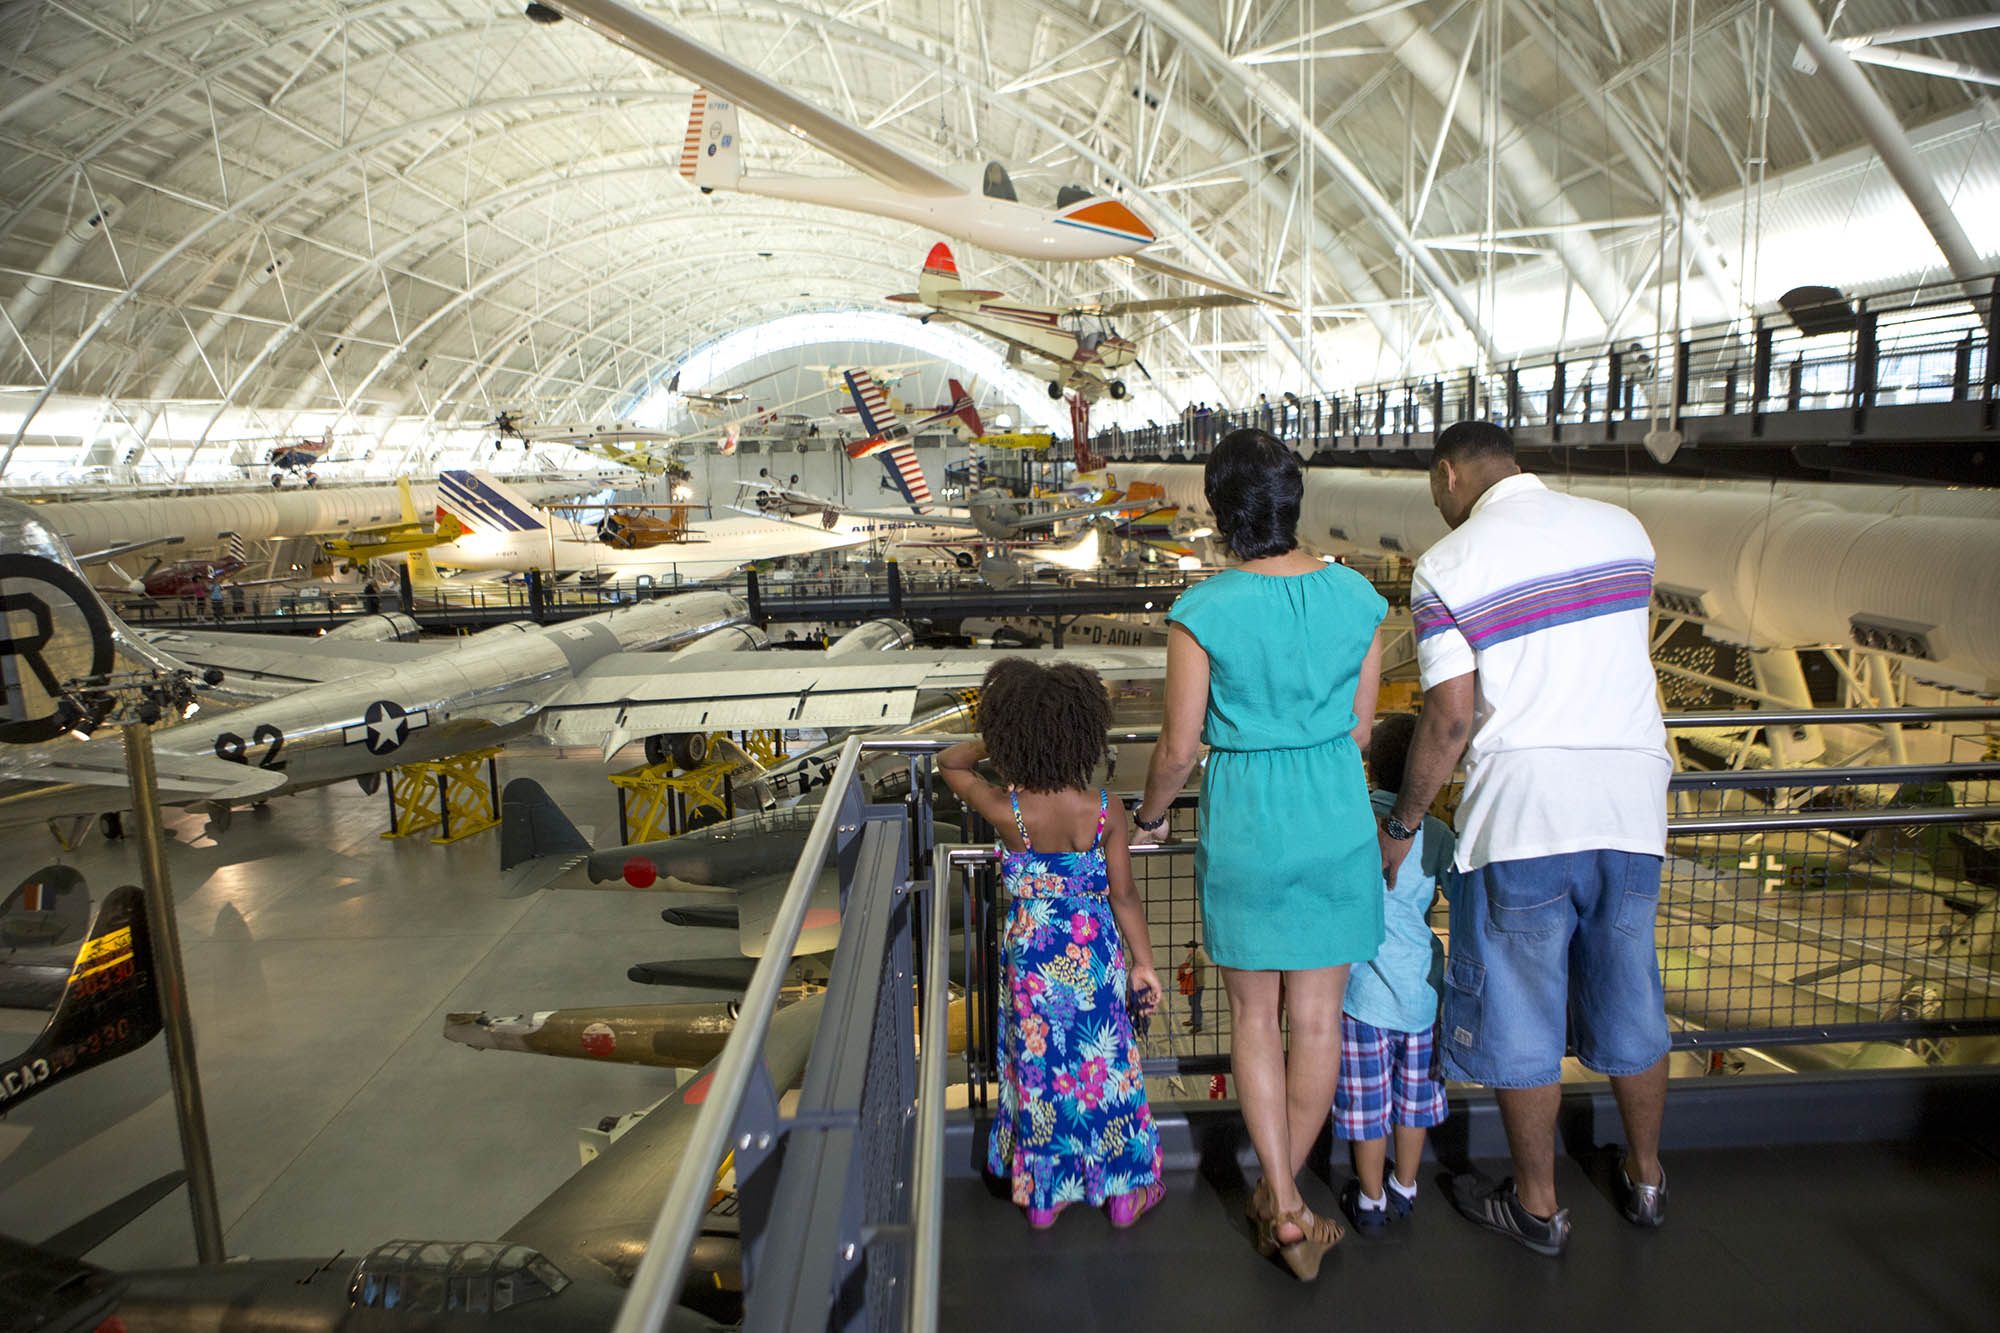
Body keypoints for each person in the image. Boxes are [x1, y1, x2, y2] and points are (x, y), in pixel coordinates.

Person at [1376, 420, 1672, 1258]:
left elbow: (1451, 717)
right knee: (1632, 995)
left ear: (1448, 474)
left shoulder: (1449, 565)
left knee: (1522, 1011)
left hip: (1525, 816)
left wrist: (1403, 824)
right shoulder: (1625, 530)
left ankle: (1538, 1206)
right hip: (1632, 805)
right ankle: (1647, 1178)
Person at [1133, 428, 1385, 1281]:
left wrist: (1151, 816)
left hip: (1249, 821)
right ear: (1293, 500)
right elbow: (1360, 729)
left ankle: (1281, 1201)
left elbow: (1178, 748)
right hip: (1335, 817)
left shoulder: (1203, 610)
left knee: (1252, 1019)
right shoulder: (1359, 598)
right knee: (1317, 1021)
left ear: (1220, 510)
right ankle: (1286, 1201)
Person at [940, 659, 1165, 1232]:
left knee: (1039, 1071)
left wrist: (1002, 736)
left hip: (1033, 962)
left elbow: (951, 762)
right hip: (1094, 958)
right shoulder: (1105, 810)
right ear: (1083, 737)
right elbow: (1124, 895)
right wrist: (1143, 963)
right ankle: (1122, 1193)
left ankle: (1044, 1198)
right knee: (1106, 1068)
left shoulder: (1007, 810)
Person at [1334, 713, 1454, 1235]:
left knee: (1368, 1106)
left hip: (1362, 997)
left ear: (1372, 767)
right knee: (1413, 1103)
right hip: (1422, 995)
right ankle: (1405, 1187)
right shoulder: (1439, 834)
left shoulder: (1354, 819)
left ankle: (1369, 1199)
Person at [1177, 938, 1209, 1034]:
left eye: (1189, 947)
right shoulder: (1190, 955)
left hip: (1197, 985)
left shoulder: (1198, 959)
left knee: (1196, 1004)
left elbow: (1188, 970)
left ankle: (1198, 1025)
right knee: (1191, 1002)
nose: (1187, 949)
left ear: (1194, 948)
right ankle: (1193, 1019)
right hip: (1191, 984)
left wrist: (1181, 971)